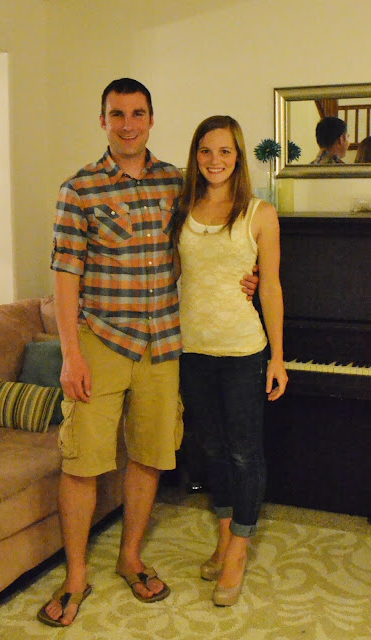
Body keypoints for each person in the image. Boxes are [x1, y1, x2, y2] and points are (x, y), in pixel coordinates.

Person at [37, 79, 258, 627]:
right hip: (102, 341)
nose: (128, 124)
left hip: (163, 343)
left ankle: (130, 557)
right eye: (118, 114)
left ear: (152, 119)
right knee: (82, 462)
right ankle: (76, 575)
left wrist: (244, 276)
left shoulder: (177, 184)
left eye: (138, 113)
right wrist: (70, 355)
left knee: (150, 455)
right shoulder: (78, 189)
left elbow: (211, 241)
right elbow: (65, 278)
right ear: (103, 120)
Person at [173, 115, 288, 607]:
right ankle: (223, 537)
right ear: (195, 156)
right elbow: (175, 274)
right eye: (205, 150)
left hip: (243, 351)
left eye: (224, 151)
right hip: (192, 351)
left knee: (244, 452)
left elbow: (272, 287)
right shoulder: (182, 207)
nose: (214, 160)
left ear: (238, 156)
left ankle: (239, 550)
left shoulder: (260, 213)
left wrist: (278, 357)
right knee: (212, 450)